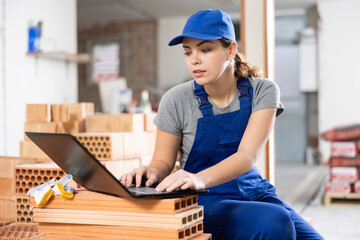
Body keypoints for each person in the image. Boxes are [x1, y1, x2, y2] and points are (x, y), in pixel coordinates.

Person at [120, 9, 323, 240]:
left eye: (205, 50)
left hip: (255, 192)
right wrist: (151, 171)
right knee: (275, 223)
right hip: (203, 197)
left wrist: (199, 176)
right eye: (188, 52)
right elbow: (164, 161)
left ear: (231, 50)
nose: (194, 60)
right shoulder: (175, 99)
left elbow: (246, 157)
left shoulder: (263, 91)